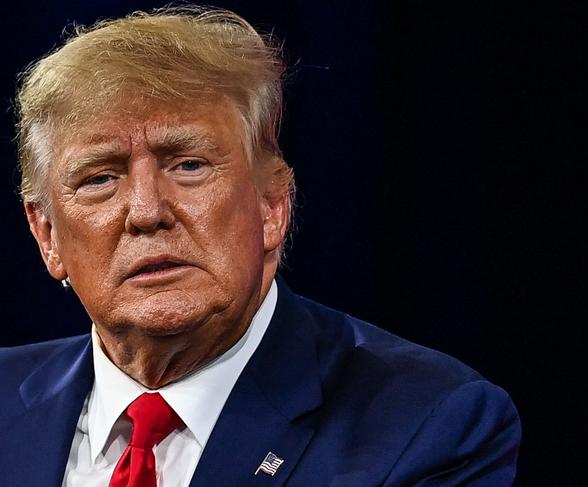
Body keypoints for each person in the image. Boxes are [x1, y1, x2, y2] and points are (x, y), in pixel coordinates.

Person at [0, 6, 521, 486]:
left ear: (273, 205)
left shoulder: (425, 424)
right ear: (47, 235)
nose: (146, 211)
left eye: (189, 165)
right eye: (99, 178)